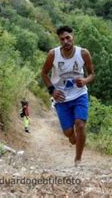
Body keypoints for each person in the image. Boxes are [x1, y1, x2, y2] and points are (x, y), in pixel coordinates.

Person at [40, 26, 95, 167]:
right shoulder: (53, 54)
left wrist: (84, 81)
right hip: (61, 97)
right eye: (62, 39)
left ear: (73, 37)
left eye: (68, 38)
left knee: (80, 125)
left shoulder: (83, 53)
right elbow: (44, 73)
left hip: (79, 94)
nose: (66, 41)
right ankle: (74, 139)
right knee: (69, 133)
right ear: (59, 40)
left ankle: (78, 159)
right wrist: (52, 90)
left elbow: (92, 74)